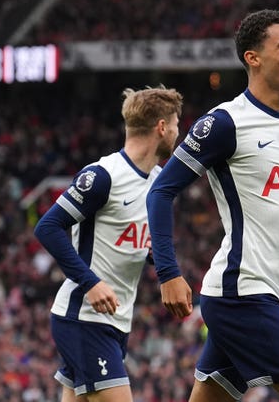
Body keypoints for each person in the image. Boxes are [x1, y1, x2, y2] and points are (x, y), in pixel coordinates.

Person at [146, 9, 279, 402]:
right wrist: (168, 273)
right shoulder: (225, 122)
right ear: (252, 57)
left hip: (260, 293)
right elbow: (160, 191)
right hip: (243, 295)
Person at [34, 85, 183, 402]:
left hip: (114, 321)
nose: (177, 133)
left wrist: (161, 263)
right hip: (85, 317)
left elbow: (129, 241)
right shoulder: (103, 176)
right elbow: (48, 227)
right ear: (161, 127)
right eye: (175, 125)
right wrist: (90, 283)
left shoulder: (159, 181)